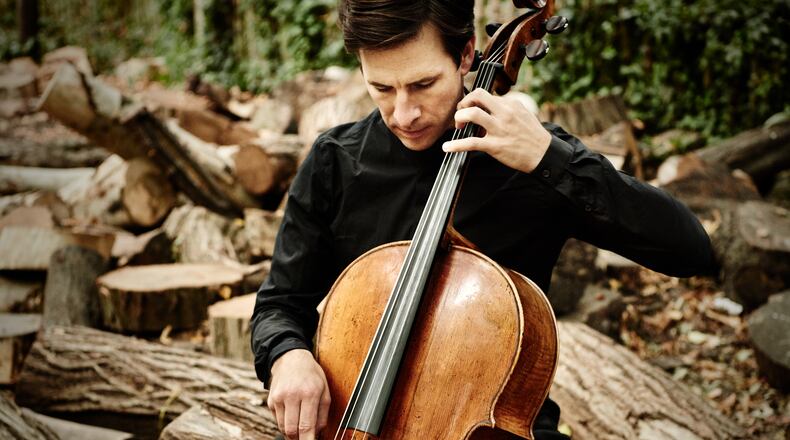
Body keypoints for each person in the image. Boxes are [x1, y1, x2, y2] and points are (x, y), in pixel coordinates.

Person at [250, 1, 715, 439]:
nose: (404, 113)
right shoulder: (335, 161)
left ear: (466, 53)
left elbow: (690, 251)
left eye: (423, 84)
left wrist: (550, 159)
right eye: (382, 89)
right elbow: (280, 304)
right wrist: (288, 357)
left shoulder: (533, 160)